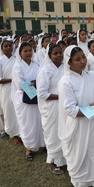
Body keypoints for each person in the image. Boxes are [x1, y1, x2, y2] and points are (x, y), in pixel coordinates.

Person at [58, 46, 94, 187]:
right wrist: (92, 108)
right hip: (79, 126)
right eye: (77, 59)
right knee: (81, 153)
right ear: (69, 62)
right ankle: (84, 184)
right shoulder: (65, 82)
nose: (82, 61)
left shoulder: (91, 76)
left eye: (83, 57)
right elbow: (70, 109)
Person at [11, 43, 45, 161]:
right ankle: (28, 148)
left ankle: (41, 144)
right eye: (25, 51)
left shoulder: (38, 64)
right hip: (24, 100)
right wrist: (34, 83)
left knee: (39, 122)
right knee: (27, 124)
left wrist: (34, 83)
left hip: (37, 98)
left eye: (30, 50)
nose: (28, 53)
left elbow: (42, 79)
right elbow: (20, 84)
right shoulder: (17, 67)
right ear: (20, 53)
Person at [37, 44, 66, 174]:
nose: (59, 55)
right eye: (55, 53)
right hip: (53, 107)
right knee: (53, 133)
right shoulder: (45, 70)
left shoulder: (67, 68)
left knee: (65, 131)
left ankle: (65, 159)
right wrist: (61, 96)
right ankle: (52, 161)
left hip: (65, 106)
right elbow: (42, 94)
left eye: (60, 52)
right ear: (49, 56)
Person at [0, 40, 21, 144]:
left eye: (10, 46)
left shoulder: (17, 59)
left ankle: (21, 133)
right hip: (6, 90)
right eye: (6, 46)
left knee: (18, 110)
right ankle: (14, 134)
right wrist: (12, 80)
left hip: (18, 89)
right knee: (9, 111)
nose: (9, 48)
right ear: (2, 48)